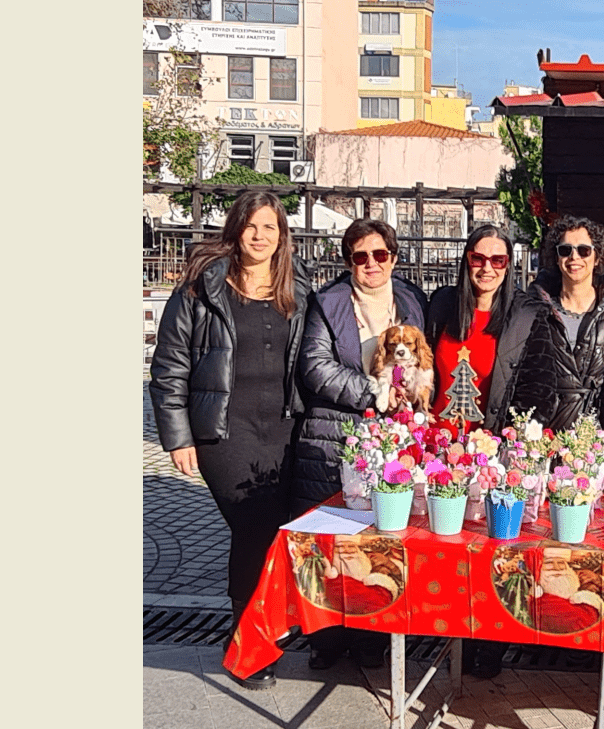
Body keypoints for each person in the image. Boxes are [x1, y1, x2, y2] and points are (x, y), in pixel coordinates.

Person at [149, 191, 311, 691]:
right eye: (251, 226)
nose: (260, 236)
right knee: (255, 530)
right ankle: (249, 642)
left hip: (285, 430)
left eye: (270, 227)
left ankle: (257, 630)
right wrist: (178, 437)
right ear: (236, 229)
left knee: (276, 534)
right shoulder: (201, 290)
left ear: (282, 236)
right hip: (224, 431)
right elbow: (169, 366)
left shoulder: (298, 287)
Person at [294, 217, 427, 670]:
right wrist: (374, 393)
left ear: (394, 258)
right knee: (330, 542)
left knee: (379, 542)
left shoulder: (411, 300)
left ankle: (372, 636)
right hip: (334, 435)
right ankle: (327, 639)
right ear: (348, 261)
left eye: (380, 254)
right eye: (360, 256)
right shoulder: (328, 303)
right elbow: (315, 366)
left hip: (391, 441)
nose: (372, 264)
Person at [506, 215, 604, 431]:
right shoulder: (533, 309)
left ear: (597, 257)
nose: (574, 257)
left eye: (584, 250)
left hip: (600, 426)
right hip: (547, 428)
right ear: (557, 257)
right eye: (565, 250)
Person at [425, 224, 523, 433]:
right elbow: (416, 361)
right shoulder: (442, 304)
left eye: (497, 260)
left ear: (507, 266)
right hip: (432, 439)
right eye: (478, 259)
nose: (487, 268)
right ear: (467, 261)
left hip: (485, 443)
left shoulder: (519, 318)